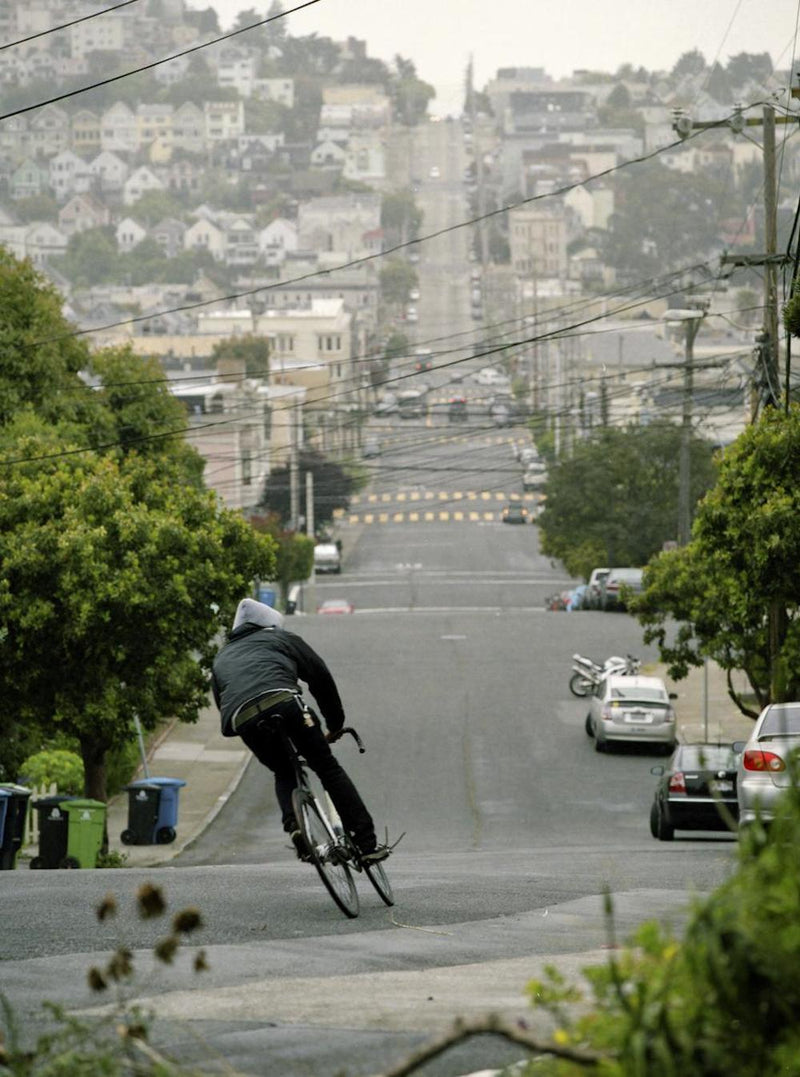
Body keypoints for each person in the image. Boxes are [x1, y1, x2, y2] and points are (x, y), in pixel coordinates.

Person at [211, 598, 389, 863]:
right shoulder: (283, 639)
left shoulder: (221, 657)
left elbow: (222, 701)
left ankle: (295, 828)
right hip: (285, 703)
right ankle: (366, 844)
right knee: (326, 768)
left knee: (284, 771)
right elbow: (319, 677)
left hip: (244, 719)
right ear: (268, 625)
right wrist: (334, 724)